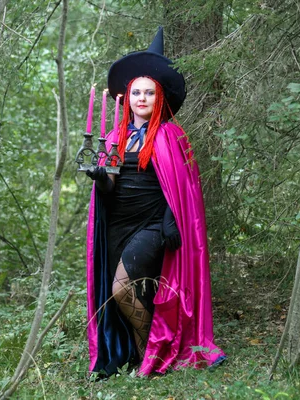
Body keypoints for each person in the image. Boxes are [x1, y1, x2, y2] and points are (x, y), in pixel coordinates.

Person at [84, 27, 225, 377]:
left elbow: (180, 190)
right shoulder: (115, 136)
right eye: (136, 92)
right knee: (136, 294)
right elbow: (109, 187)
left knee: (121, 289)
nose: (142, 98)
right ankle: (139, 353)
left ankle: (151, 352)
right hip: (118, 222)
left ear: (159, 98)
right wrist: (99, 177)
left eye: (149, 92)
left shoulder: (171, 136)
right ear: (126, 97)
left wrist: (169, 219)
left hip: (151, 224)